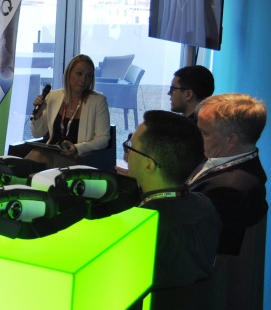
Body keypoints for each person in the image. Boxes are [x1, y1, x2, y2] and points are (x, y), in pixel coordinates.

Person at [124, 110, 219, 289]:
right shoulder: (205, 206)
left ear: (149, 165)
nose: (127, 154)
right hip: (196, 305)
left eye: (131, 147)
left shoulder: (139, 225)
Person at [187, 93, 267, 256]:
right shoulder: (219, 153)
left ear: (231, 140)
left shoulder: (232, 191)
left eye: (204, 132)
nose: (196, 137)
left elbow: (202, 250)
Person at [29, 54, 111, 167]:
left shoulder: (98, 101)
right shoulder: (53, 96)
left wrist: (77, 148)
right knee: (34, 157)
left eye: (88, 76)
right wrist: (38, 114)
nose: (83, 80)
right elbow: (37, 134)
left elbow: (103, 139)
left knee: (36, 157)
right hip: (51, 151)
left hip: (77, 158)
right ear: (68, 73)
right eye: (79, 73)